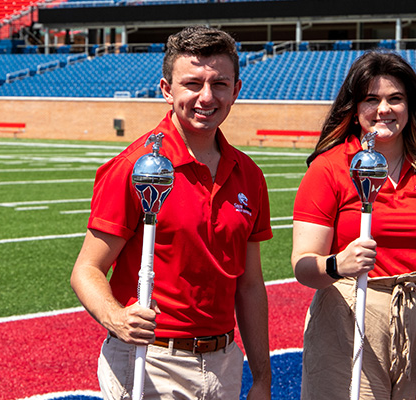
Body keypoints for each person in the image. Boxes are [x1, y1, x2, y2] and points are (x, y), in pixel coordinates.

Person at [70, 26, 272, 400]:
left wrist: (261, 376)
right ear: (167, 90)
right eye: (192, 84)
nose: (206, 97)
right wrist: (116, 318)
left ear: (236, 91)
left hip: (225, 362)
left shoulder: (249, 174)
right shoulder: (136, 167)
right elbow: (86, 269)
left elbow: (249, 285)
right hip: (151, 361)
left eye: (220, 84)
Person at [290, 51, 416, 400]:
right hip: (349, 317)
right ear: (355, 107)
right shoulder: (329, 169)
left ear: (410, 106)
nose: (383, 109)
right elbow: (302, 264)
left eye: (395, 98)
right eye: (371, 99)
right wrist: (337, 263)